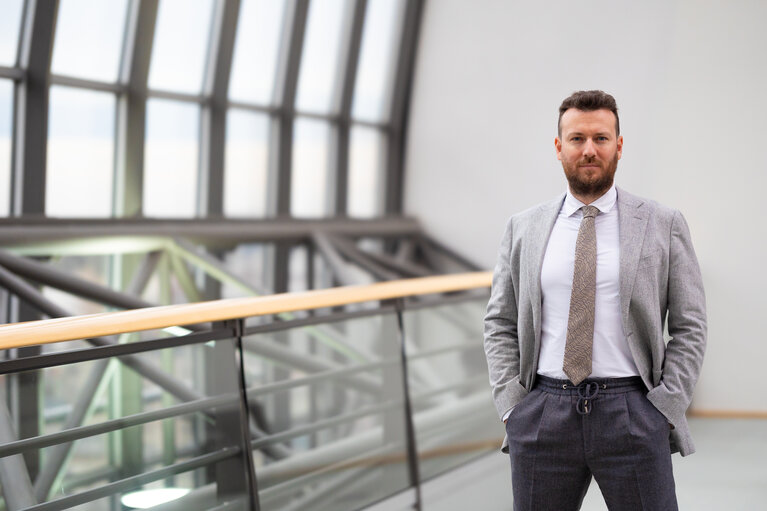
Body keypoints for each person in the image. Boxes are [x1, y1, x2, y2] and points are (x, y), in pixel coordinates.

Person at [483, 90, 706, 510]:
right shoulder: (523, 228)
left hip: (633, 412)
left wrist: (665, 406)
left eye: (601, 138)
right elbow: (499, 321)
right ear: (558, 147)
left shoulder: (663, 223)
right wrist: (512, 406)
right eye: (577, 139)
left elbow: (691, 323)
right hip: (543, 412)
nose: (589, 150)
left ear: (619, 146)